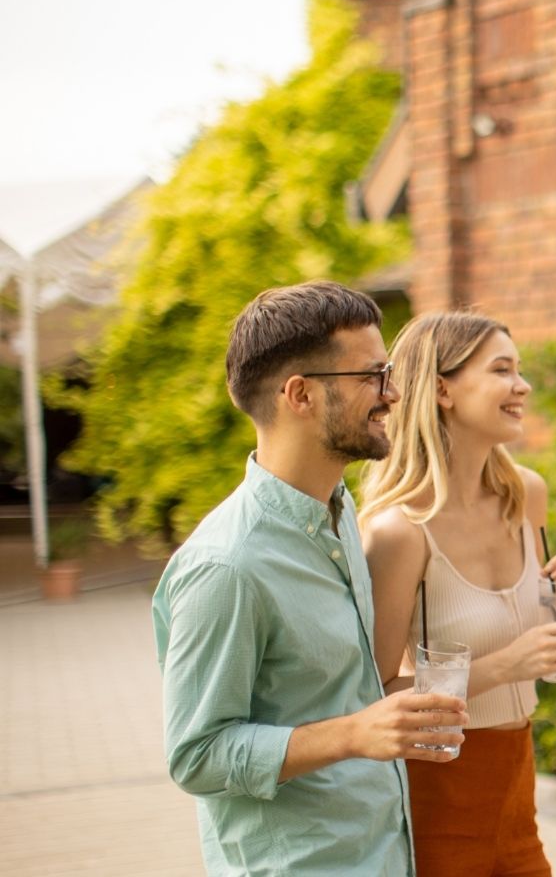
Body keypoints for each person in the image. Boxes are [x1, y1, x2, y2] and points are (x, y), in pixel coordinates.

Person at [153, 281, 467, 876]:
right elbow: (195, 756)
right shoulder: (226, 566)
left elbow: (340, 695)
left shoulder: (342, 512)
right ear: (300, 395)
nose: (393, 392)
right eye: (372, 376)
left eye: (390, 372)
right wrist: (353, 733)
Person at [360, 311, 556, 876]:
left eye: (519, 369)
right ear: (442, 389)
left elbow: (532, 632)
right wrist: (507, 665)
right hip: (438, 793)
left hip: (517, 786)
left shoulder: (526, 498)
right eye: (502, 370)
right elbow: (373, 694)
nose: (524, 385)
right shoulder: (400, 531)